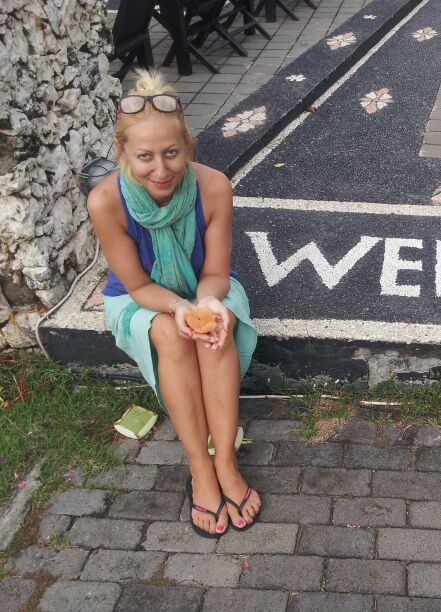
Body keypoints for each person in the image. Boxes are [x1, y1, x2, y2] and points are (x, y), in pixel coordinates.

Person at [87, 69, 260, 538]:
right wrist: (179, 309)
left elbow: (216, 273)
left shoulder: (215, 186)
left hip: (206, 286)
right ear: (123, 152)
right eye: (145, 156)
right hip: (140, 298)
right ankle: (200, 468)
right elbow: (138, 286)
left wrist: (204, 306)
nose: (160, 170)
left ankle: (225, 462)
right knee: (169, 332)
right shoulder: (105, 201)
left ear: (188, 146)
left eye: (171, 153)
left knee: (213, 329)